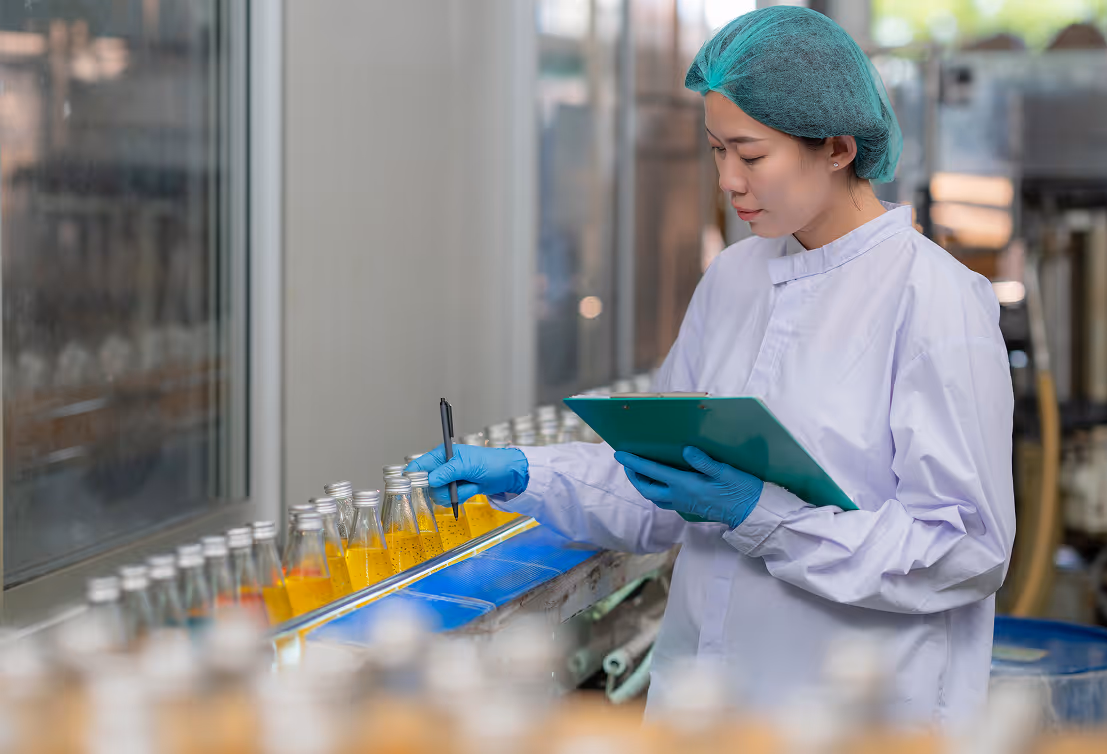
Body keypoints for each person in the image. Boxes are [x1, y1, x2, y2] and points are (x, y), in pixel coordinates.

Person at [407, 6, 1013, 727]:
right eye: (716, 149)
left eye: (751, 155)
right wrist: (526, 474)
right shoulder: (734, 279)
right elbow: (663, 486)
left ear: (840, 147)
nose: (727, 179)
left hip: (856, 718)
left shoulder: (935, 302)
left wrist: (766, 519)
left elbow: (965, 549)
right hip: (704, 705)